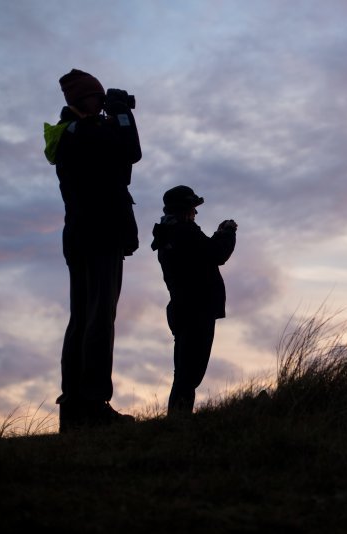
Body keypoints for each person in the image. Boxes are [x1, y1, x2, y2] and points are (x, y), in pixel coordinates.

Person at [44, 68, 141, 432]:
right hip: (99, 234)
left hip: (81, 235)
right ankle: (93, 404)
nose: (102, 104)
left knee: (83, 317)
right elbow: (132, 150)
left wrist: (115, 112)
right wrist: (121, 112)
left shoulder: (71, 133)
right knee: (99, 318)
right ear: (83, 100)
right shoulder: (84, 132)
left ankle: (75, 408)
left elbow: (119, 163)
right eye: (98, 98)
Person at [151, 186, 237, 416]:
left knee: (186, 372)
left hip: (184, 309)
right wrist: (226, 233)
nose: (195, 213)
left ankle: (178, 421)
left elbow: (206, 252)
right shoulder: (183, 232)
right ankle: (178, 422)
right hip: (196, 310)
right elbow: (216, 253)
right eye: (192, 208)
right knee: (189, 373)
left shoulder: (170, 233)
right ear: (184, 209)